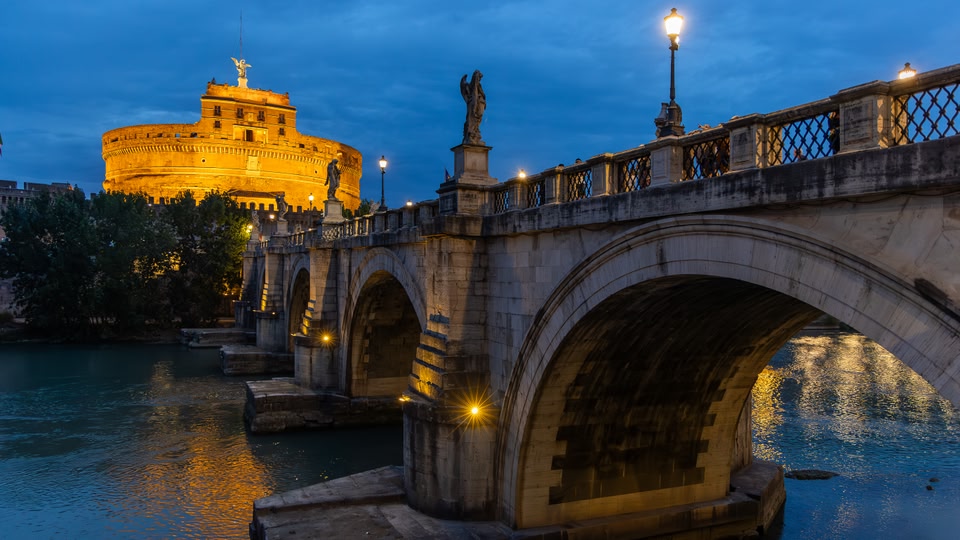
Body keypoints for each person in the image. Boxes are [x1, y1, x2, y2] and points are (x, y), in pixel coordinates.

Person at [460, 70, 486, 144]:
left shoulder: (479, 86)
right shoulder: (469, 86)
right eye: (479, 78)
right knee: (471, 118)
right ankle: (471, 134)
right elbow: (466, 95)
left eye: (480, 78)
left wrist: (482, 101)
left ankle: (475, 133)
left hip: (479, 104)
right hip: (472, 105)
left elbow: (483, 95)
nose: (479, 80)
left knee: (478, 117)